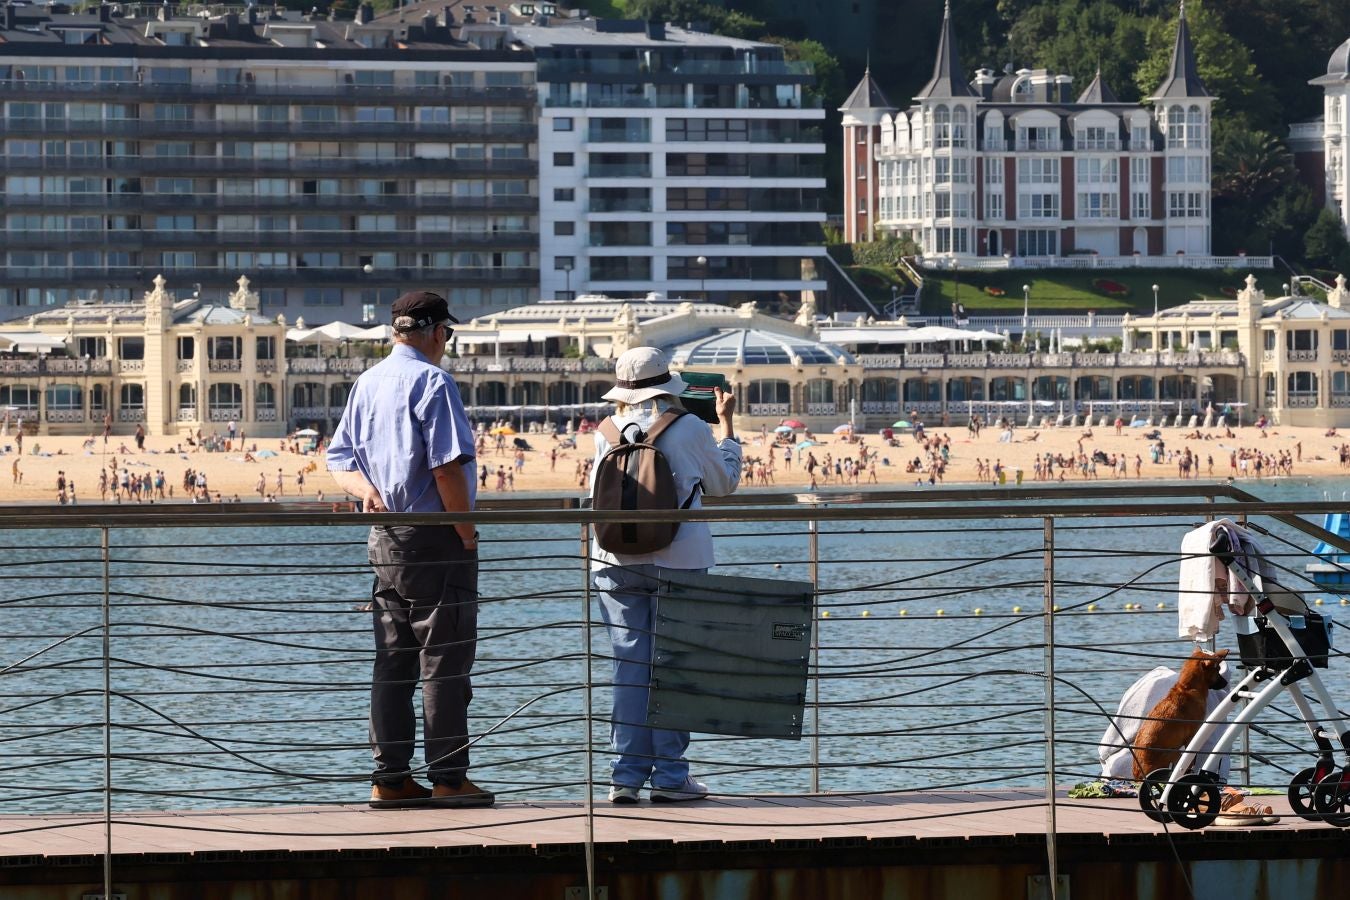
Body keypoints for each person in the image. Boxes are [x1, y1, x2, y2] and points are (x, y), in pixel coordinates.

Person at [327, 290, 491, 810]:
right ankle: (448, 777)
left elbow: (337, 460)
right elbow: (446, 467)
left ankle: (390, 778)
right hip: (437, 536)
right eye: (449, 334)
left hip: (385, 538)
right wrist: (466, 534)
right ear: (438, 331)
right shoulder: (434, 381)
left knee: (392, 663)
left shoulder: (368, 381)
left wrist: (367, 493)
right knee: (444, 661)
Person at [588, 347, 742, 805]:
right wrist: (728, 428)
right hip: (681, 556)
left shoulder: (605, 431)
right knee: (674, 664)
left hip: (614, 560)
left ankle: (626, 777)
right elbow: (723, 484)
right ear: (669, 384)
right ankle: (672, 777)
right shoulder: (691, 427)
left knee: (629, 666)